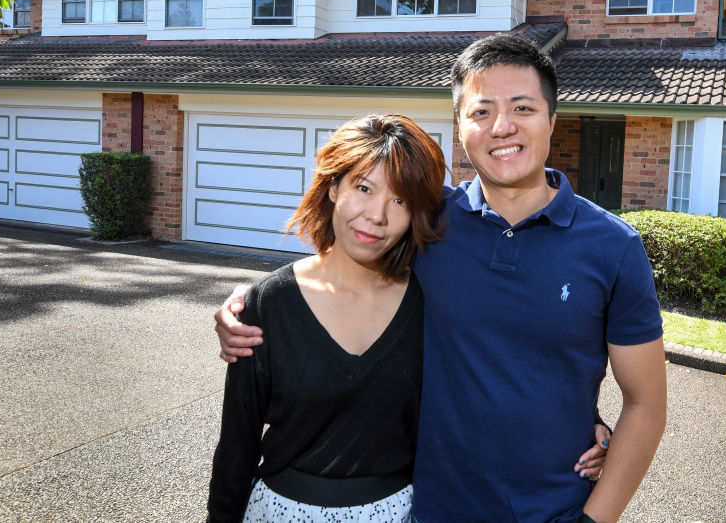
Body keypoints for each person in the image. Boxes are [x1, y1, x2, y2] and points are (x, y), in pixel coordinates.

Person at [216, 35, 667, 523]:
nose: (502, 126)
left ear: (552, 119)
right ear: (459, 125)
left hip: (555, 511)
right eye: (481, 111)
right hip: (428, 508)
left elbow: (645, 403)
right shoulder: (431, 222)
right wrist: (248, 303)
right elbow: (345, 261)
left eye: (522, 107)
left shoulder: (614, 247)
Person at [207, 114, 446, 521]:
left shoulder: (432, 304)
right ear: (333, 186)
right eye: (364, 187)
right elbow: (237, 443)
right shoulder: (268, 304)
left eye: (400, 199)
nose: (377, 215)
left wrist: (588, 421)